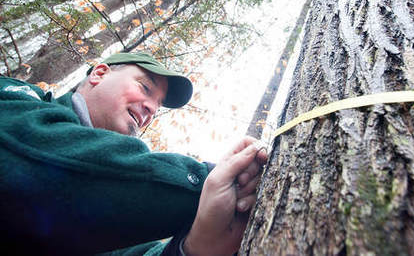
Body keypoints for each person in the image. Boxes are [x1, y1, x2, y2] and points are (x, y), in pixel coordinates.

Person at [0, 52, 267, 255]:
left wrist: (195, 246)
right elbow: (37, 154)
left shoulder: (118, 220)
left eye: (158, 106)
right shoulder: (19, 99)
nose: (151, 108)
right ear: (100, 73)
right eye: (145, 88)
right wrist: (212, 181)